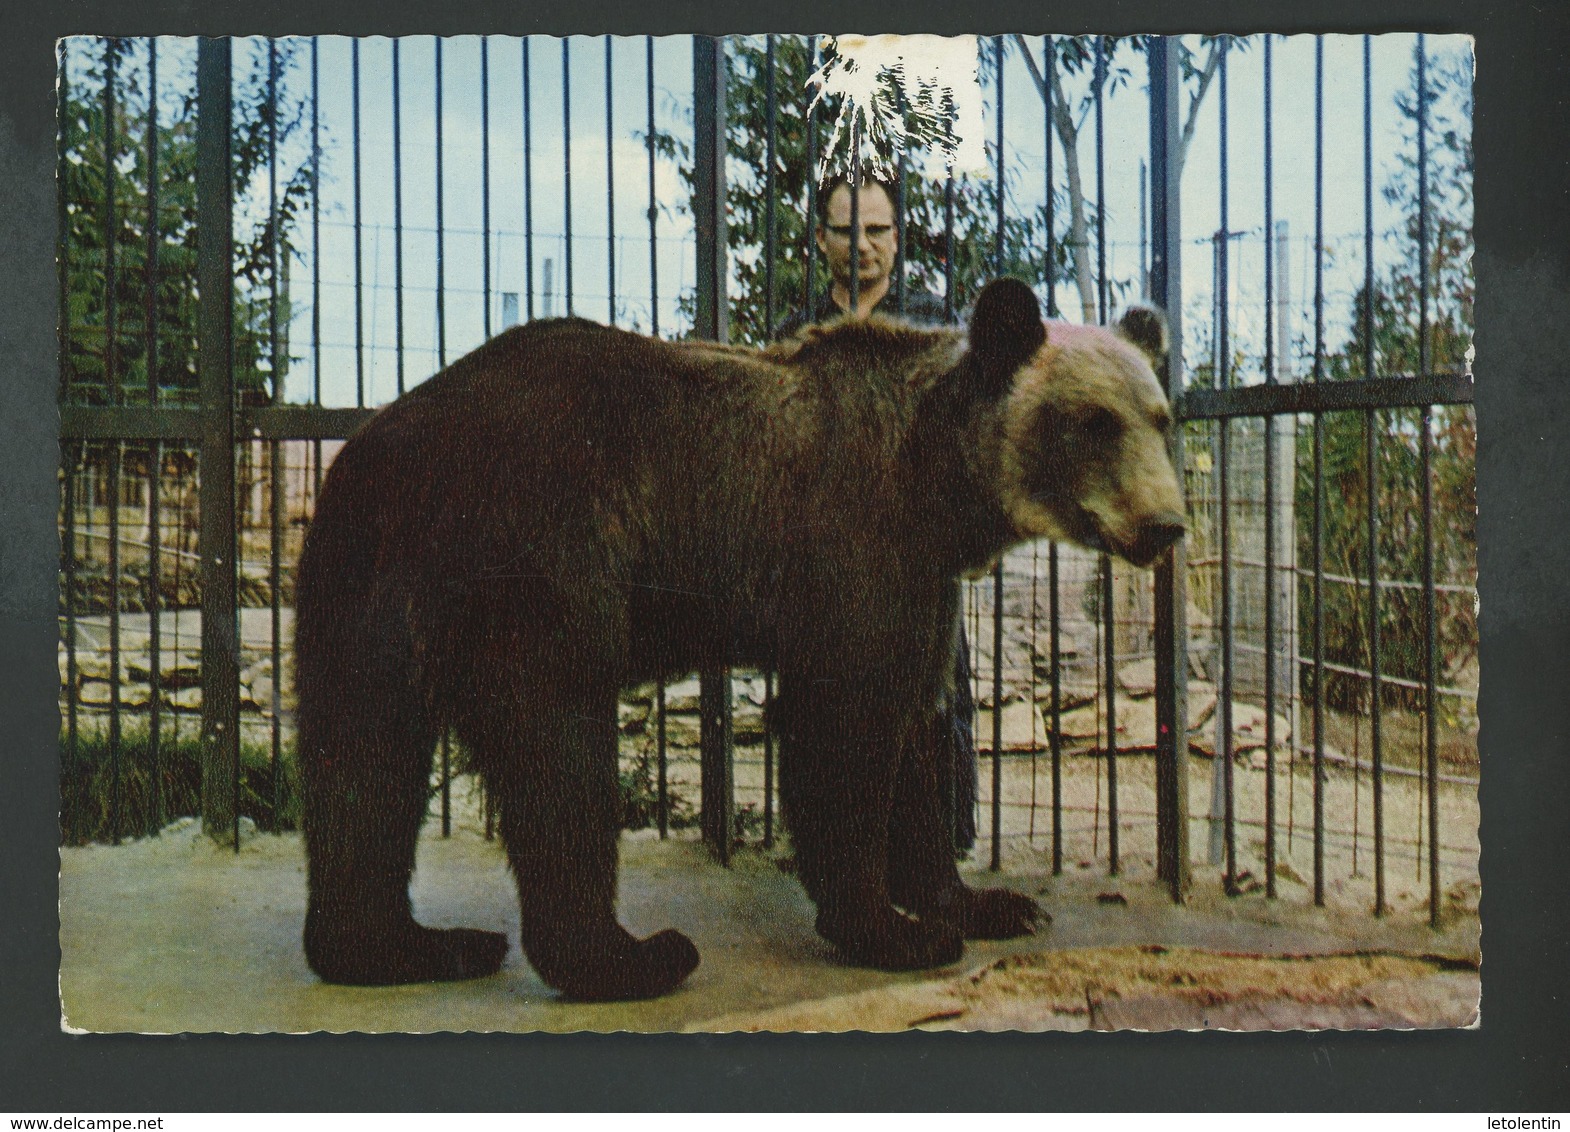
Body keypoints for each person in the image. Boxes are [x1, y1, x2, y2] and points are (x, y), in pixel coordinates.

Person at [774, 172, 979, 852]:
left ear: (898, 238)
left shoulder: (932, 325)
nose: (861, 245)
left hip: (911, 554)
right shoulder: (796, 331)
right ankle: (834, 852)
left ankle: (937, 852)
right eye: (844, 230)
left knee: (931, 698)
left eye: (876, 230)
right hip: (822, 561)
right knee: (818, 702)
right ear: (822, 239)